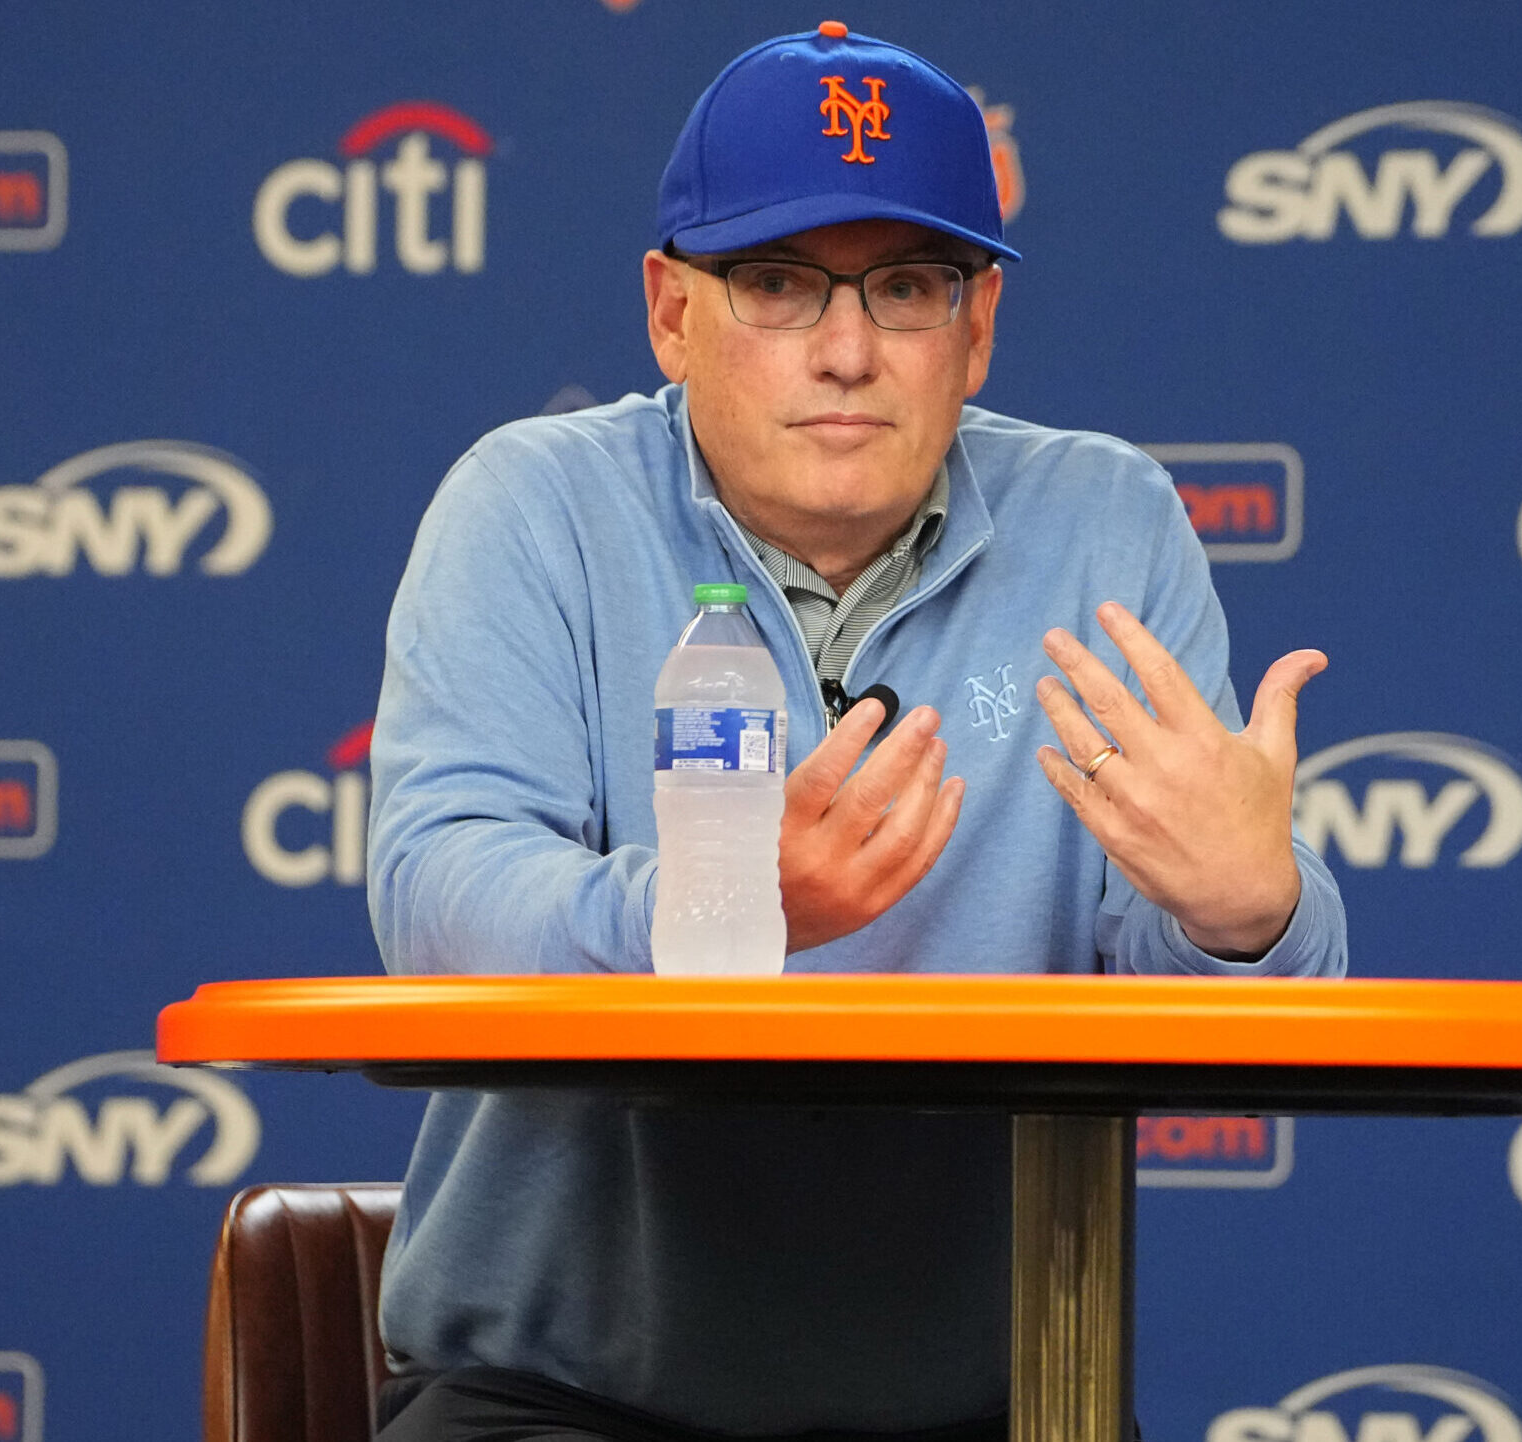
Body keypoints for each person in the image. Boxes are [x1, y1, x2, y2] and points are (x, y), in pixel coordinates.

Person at [365, 22, 1349, 1442]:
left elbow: (1198, 994)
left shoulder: (1106, 523)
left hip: (1001, 1403)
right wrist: (719, 905)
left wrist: (1248, 917)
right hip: (565, 1399)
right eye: (777, 284)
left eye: (907, 287)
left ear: (978, 327)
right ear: (671, 312)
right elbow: (440, 894)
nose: (846, 352)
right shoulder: (535, 505)